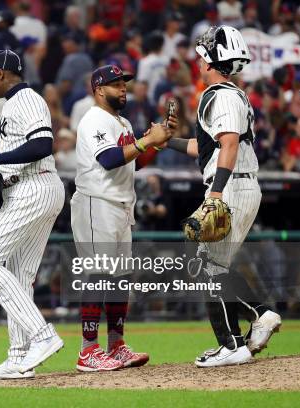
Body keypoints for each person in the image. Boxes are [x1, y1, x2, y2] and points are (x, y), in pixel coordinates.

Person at [162, 26, 281, 367]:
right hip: (235, 184)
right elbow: (207, 147)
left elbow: (228, 145)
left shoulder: (222, 95)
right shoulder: (228, 94)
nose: (199, 63)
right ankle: (257, 316)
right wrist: (163, 141)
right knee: (214, 266)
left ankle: (234, 342)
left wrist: (215, 193)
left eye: (203, 57)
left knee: (205, 267)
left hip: (229, 186)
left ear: (213, 60)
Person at [72, 65, 172, 372]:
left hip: (119, 205)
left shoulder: (122, 121)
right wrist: (145, 141)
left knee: (118, 280)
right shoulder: (93, 119)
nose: (123, 89)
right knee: (98, 276)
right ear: (99, 90)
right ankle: (88, 350)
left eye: (124, 83)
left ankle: (116, 346)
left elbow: (134, 163)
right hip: (96, 202)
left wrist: (156, 141)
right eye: (116, 84)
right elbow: (109, 159)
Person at [0, 50, 65, 380]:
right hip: (35, 186)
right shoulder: (17, 102)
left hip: (32, 188)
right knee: (20, 275)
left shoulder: (24, 98)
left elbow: (42, 145)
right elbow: (17, 148)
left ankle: (42, 336)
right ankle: (18, 355)